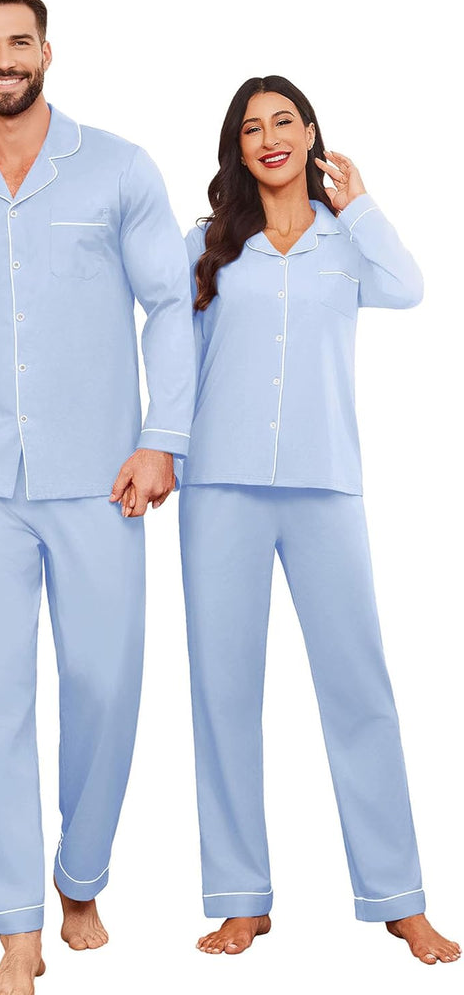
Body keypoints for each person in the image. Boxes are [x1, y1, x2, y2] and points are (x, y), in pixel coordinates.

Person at [0, 0, 195, 993]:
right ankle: (16, 933)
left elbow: (169, 305)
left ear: (46, 52)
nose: (4, 59)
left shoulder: (118, 168)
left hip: (103, 476)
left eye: (19, 41)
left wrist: (162, 437)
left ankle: (80, 876)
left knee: (104, 685)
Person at [177, 74, 460, 965]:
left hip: (326, 485)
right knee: (223, 694)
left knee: (358, 689)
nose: (268, 138)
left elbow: (409, 288)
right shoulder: (208, 245)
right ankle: (239, 899)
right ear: (236, 146)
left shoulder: (348, 243)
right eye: (251, 127)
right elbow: (177, 362)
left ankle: (397, 899)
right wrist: (161, 455)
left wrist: (361, 202)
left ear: (309, 134)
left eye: (283, 122)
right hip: (219, 487)